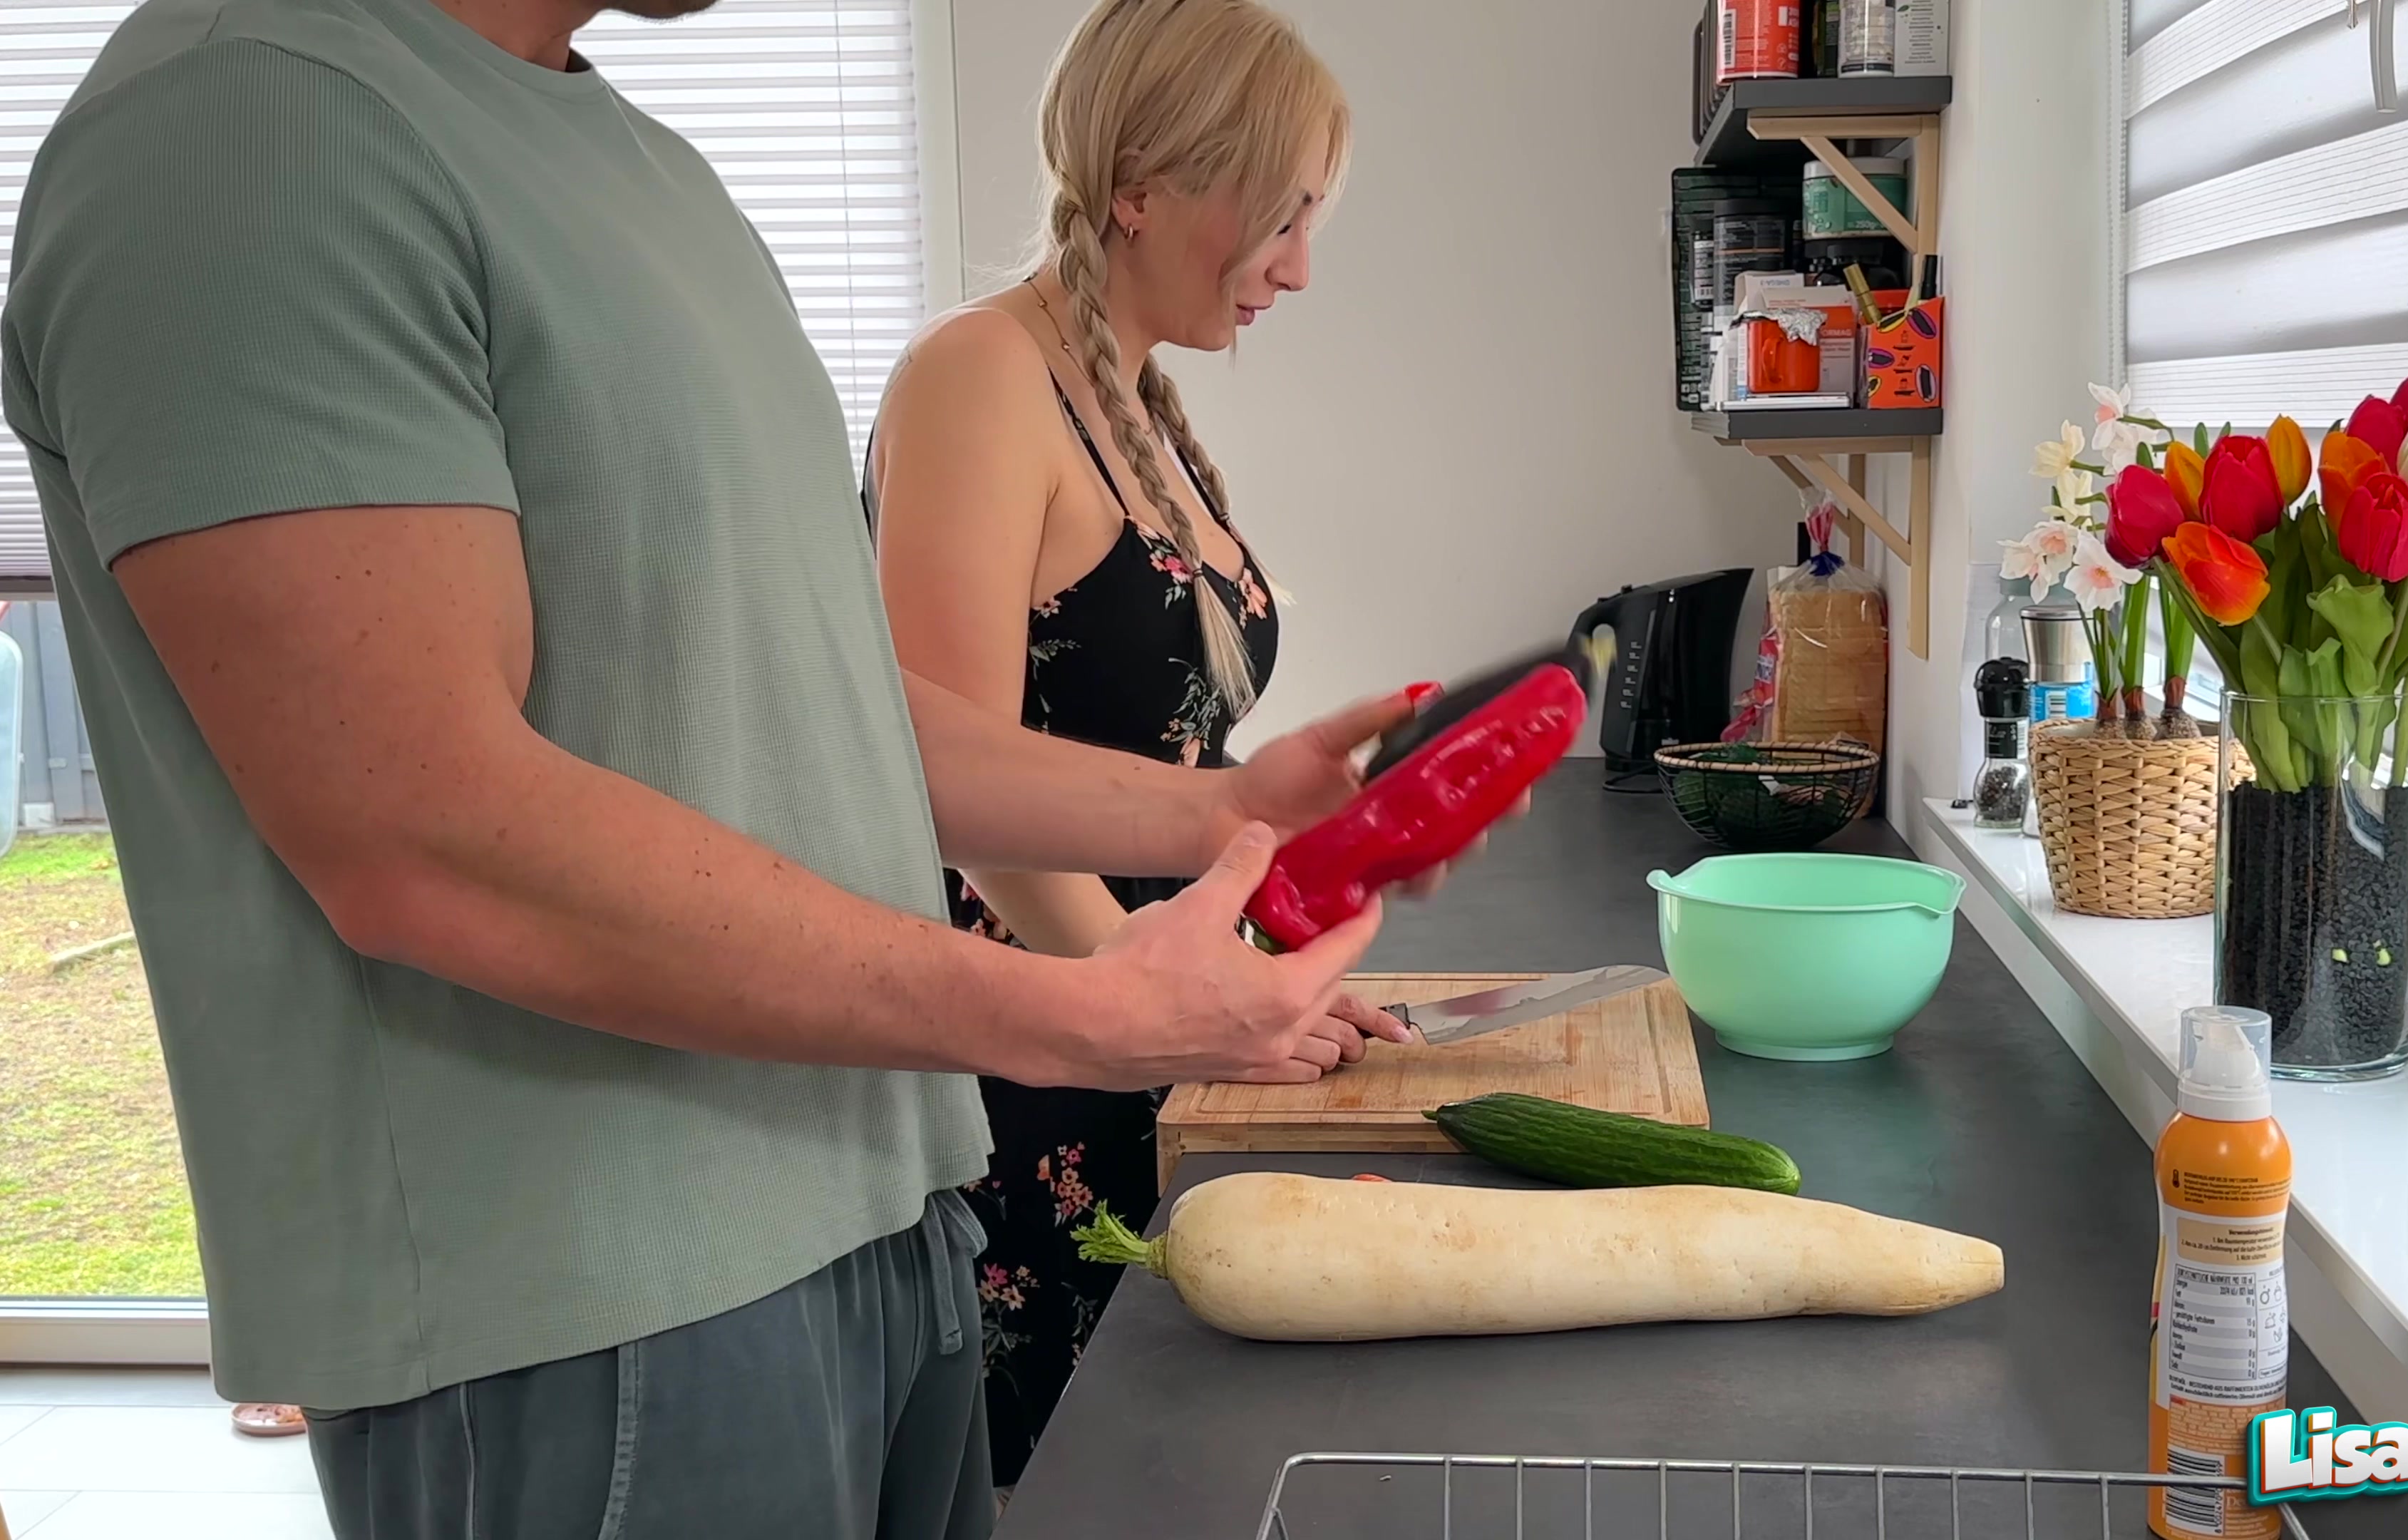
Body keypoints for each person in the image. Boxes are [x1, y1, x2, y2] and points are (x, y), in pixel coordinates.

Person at [0, 0, 1499, 1534]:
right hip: (595, 1316)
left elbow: (826, 703)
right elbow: (425, 833)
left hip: (882, 1220)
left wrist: (1221, 811)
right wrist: (1076, 1011)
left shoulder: (646, 169)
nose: (1299, 263)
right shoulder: (250, 123)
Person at [867, 0, 1381, 1487]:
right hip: (1036, 1062)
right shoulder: (977, 377)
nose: (1298, 265)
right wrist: (1151, 1011)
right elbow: (960, 797)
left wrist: (1255, 978)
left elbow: (1160, 762)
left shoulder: (1131, 399)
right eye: (1282, 216)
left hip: (1143, 1030)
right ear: (1143, 185)